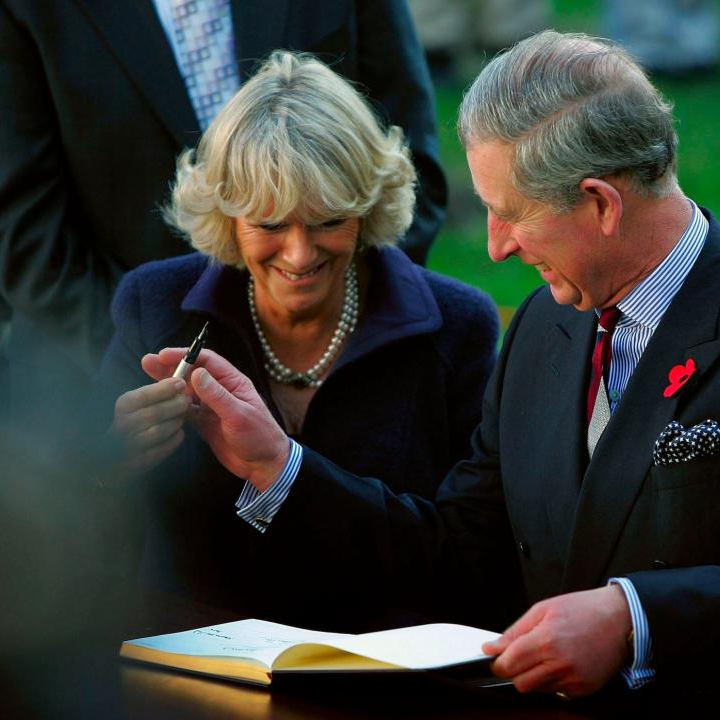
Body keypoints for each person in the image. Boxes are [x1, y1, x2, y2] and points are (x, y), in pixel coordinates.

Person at [144, 31, 720, 714]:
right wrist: (277, 466)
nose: (497, 246)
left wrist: (633, 617)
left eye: (510, 214)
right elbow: (458, 551)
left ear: (600, 203)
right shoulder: (550, 321)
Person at [97, 50, 497, 630]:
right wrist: (110, 461)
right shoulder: (154, 307)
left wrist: (283, 469)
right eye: (270, 224)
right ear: (227, 216)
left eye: (329, 221)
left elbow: (470, 553)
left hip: (384, 675)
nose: (300, 254)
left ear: (368, 207)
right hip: (188, 668)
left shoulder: (457, 326)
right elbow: (78, 525)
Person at [0, 0, 446, 434]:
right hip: (108, 384)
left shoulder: (461, 336)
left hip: (352, 380)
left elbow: (406, 164)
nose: (297, 249)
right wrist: (157, 356)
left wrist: (338, 341)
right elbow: (20, 228)